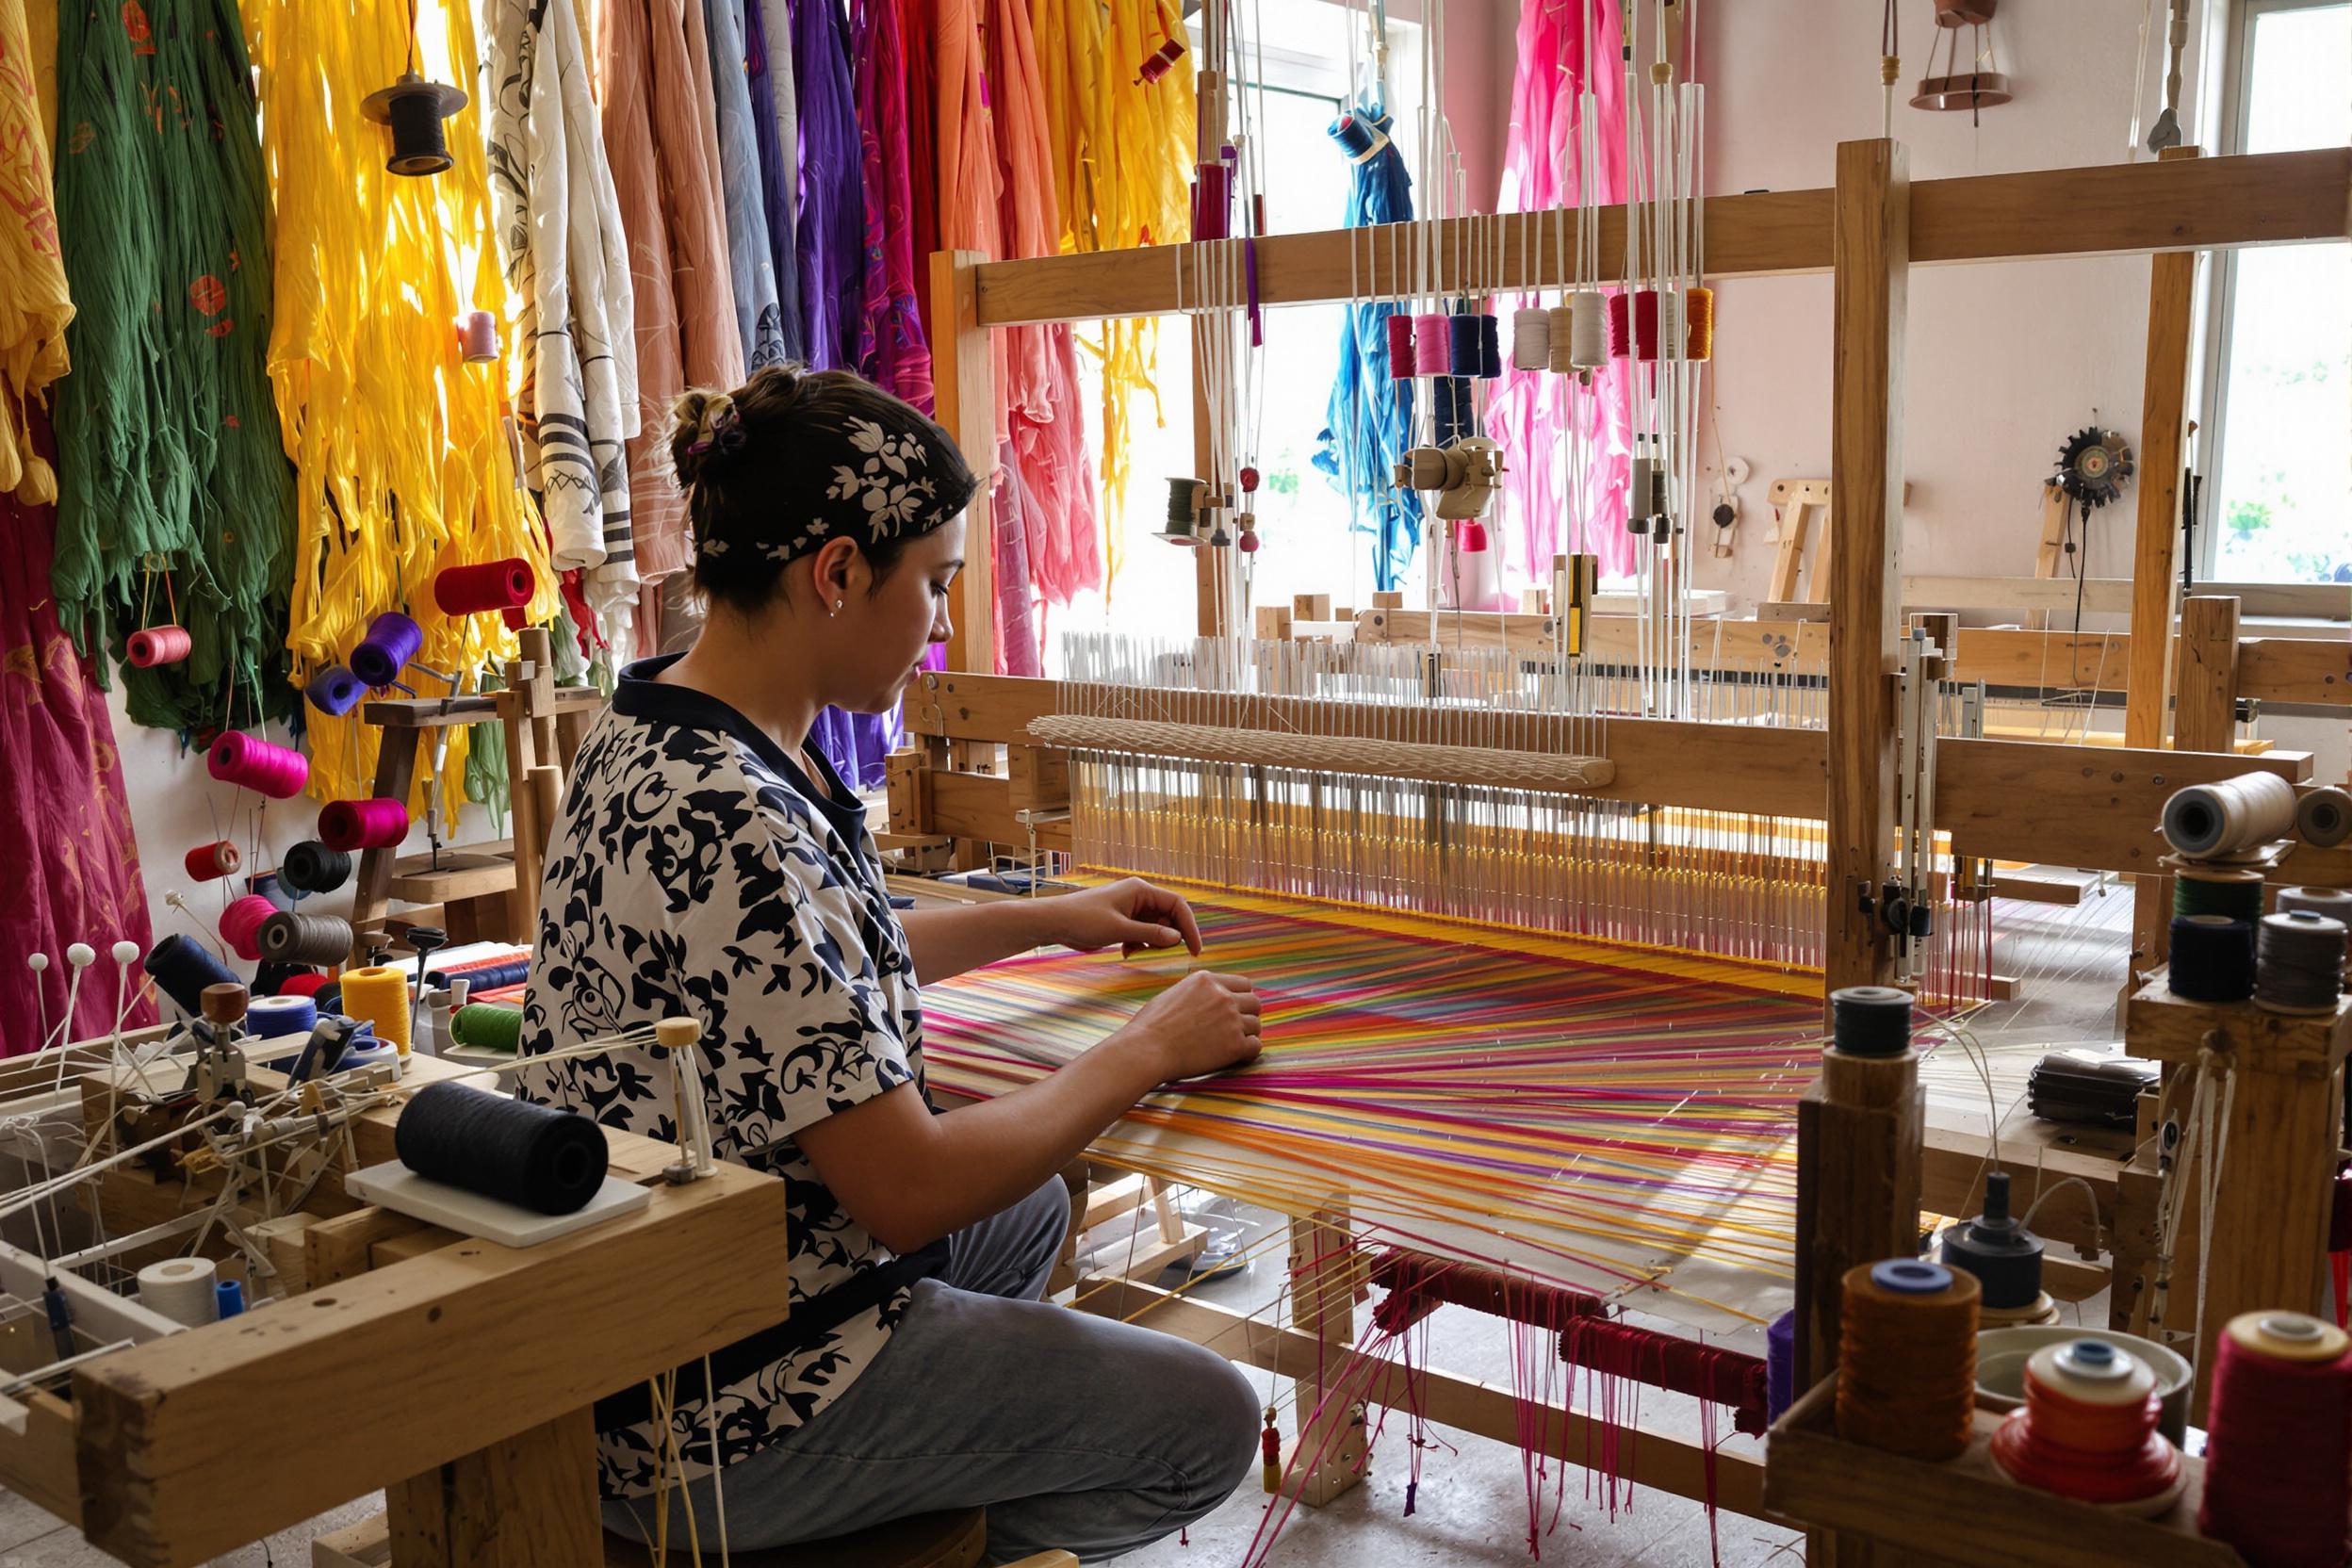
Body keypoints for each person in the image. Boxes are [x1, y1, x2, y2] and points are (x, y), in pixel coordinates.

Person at [519, 365, 1265, 1563]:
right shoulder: (729, 811)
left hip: (692, 1297)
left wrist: (1047, 917)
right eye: (934, 583)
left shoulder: (669, 719)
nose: (943, 621)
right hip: (713, 1398)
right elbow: (907, 1188)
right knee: (1207, 1423)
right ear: (836, 573)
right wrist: (1147, 1048)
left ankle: (907, 1487)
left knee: (1022, 1210)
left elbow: (797, 972)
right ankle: (892, 1537)